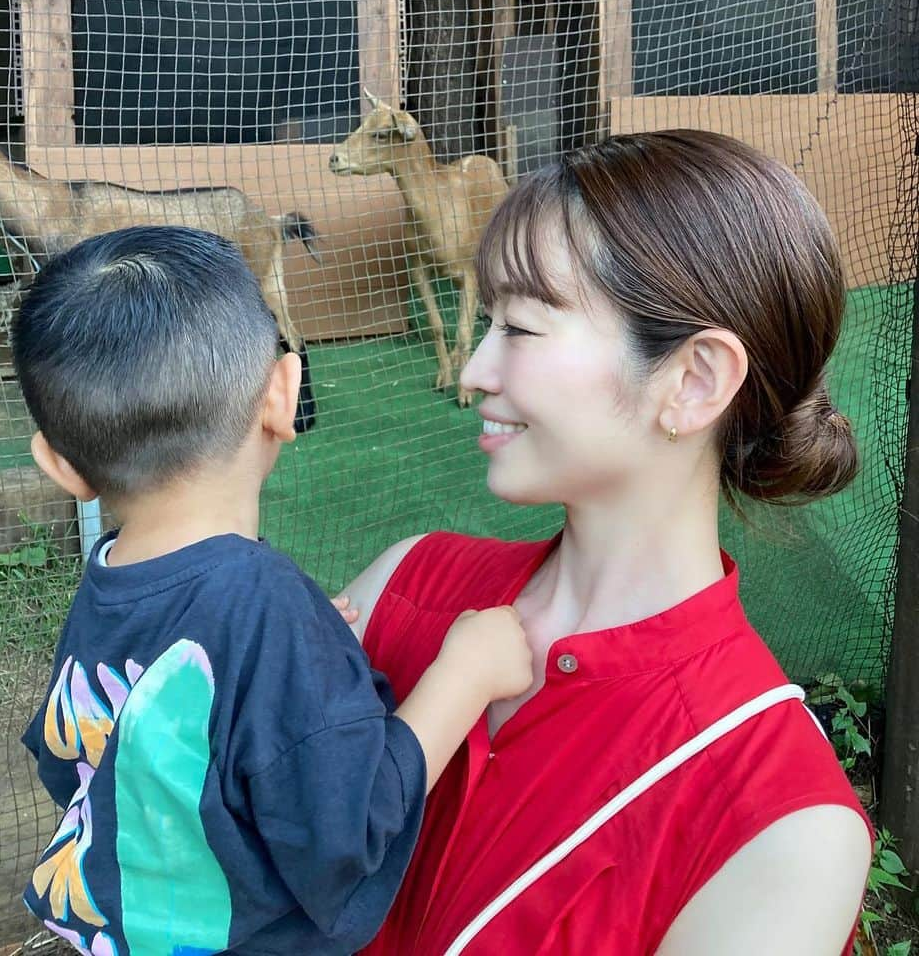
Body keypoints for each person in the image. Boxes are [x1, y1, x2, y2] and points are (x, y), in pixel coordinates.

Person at [338, 130, 874, 956]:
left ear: (693, 382)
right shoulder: (401, 582)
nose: (477, 370)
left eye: (518, 328)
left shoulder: (783, 828)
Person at [11, 225, 533, 956]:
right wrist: (464, 675)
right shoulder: (263, 604)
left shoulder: (108, 579)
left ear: (59, 465)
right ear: (283, 394)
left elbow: (65, 755)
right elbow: (346, 831)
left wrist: (298, 668)